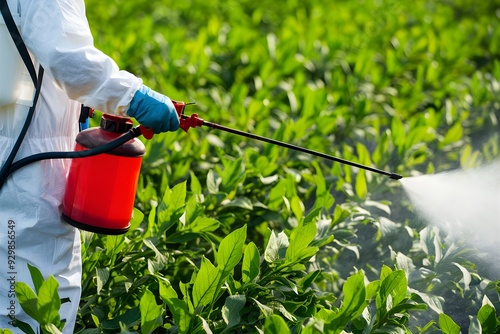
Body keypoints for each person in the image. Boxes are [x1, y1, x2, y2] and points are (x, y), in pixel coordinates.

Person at [0, 0, 180, 332]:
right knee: (28, 303)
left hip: (13, 150)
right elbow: (67, 55)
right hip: (27, 172)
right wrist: (132, 96)